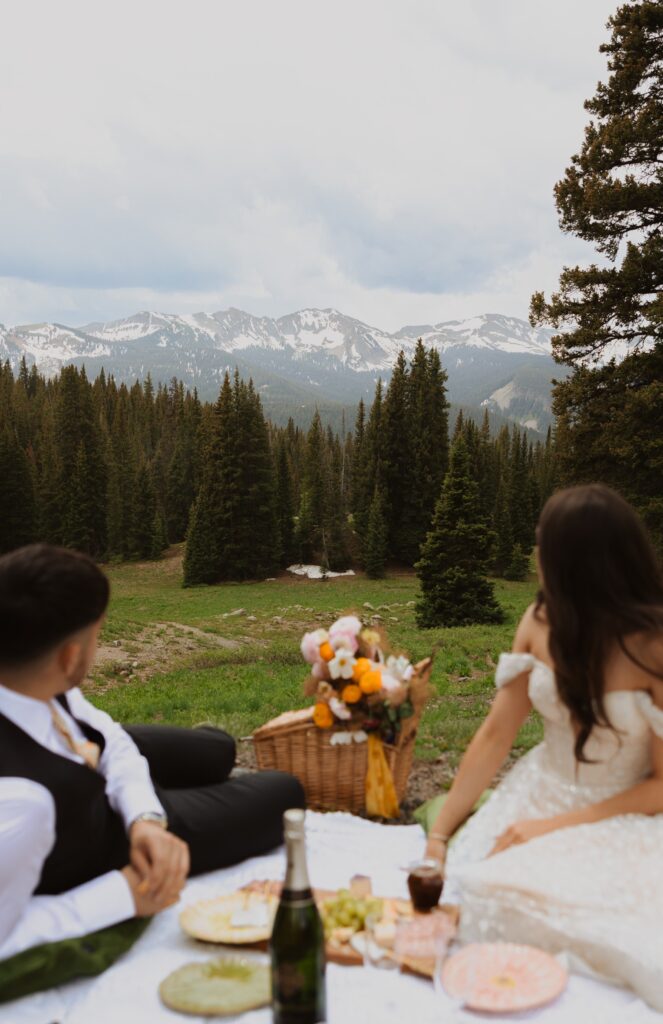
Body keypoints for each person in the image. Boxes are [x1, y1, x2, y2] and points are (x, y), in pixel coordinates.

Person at [0, 543, 305, 960]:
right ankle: (173, 795)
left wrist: (144, 816)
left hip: (105, 784)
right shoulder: (22, 804)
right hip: (96, 832)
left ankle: (173, 782)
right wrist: (119, 895)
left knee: (218, 749)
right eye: (97, 635)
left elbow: (109, 734)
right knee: (284, 792)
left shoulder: (33, 680)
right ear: (71, 657)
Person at [425, 484, 663, 1010]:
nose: (535, 555)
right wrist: (439, 835)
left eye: (543, 544)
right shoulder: (539, 621)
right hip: (539, 789)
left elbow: (661, 788)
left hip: (624, 811)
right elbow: (495, 734)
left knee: (619, 924)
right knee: (489, 891)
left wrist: (550, 828)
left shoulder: (653, 642)